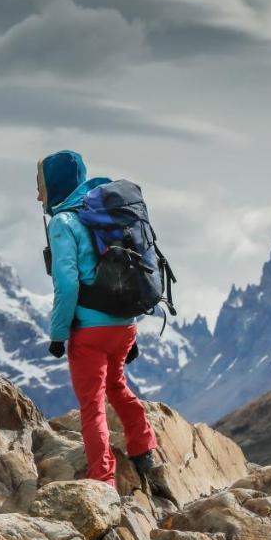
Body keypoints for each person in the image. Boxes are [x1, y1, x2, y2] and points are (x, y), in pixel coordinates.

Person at [37, 149, 164, 491]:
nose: (38, 195)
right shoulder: (105, 215)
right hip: (124, 325)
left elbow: (67, 283)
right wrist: (130, 329)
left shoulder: (63, 223)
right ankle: (143, 449)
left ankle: (102, 481)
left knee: (92, 406)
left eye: (41, 185)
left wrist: (58, 334)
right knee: (117, 386)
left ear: (55, 184)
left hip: (91, 332)